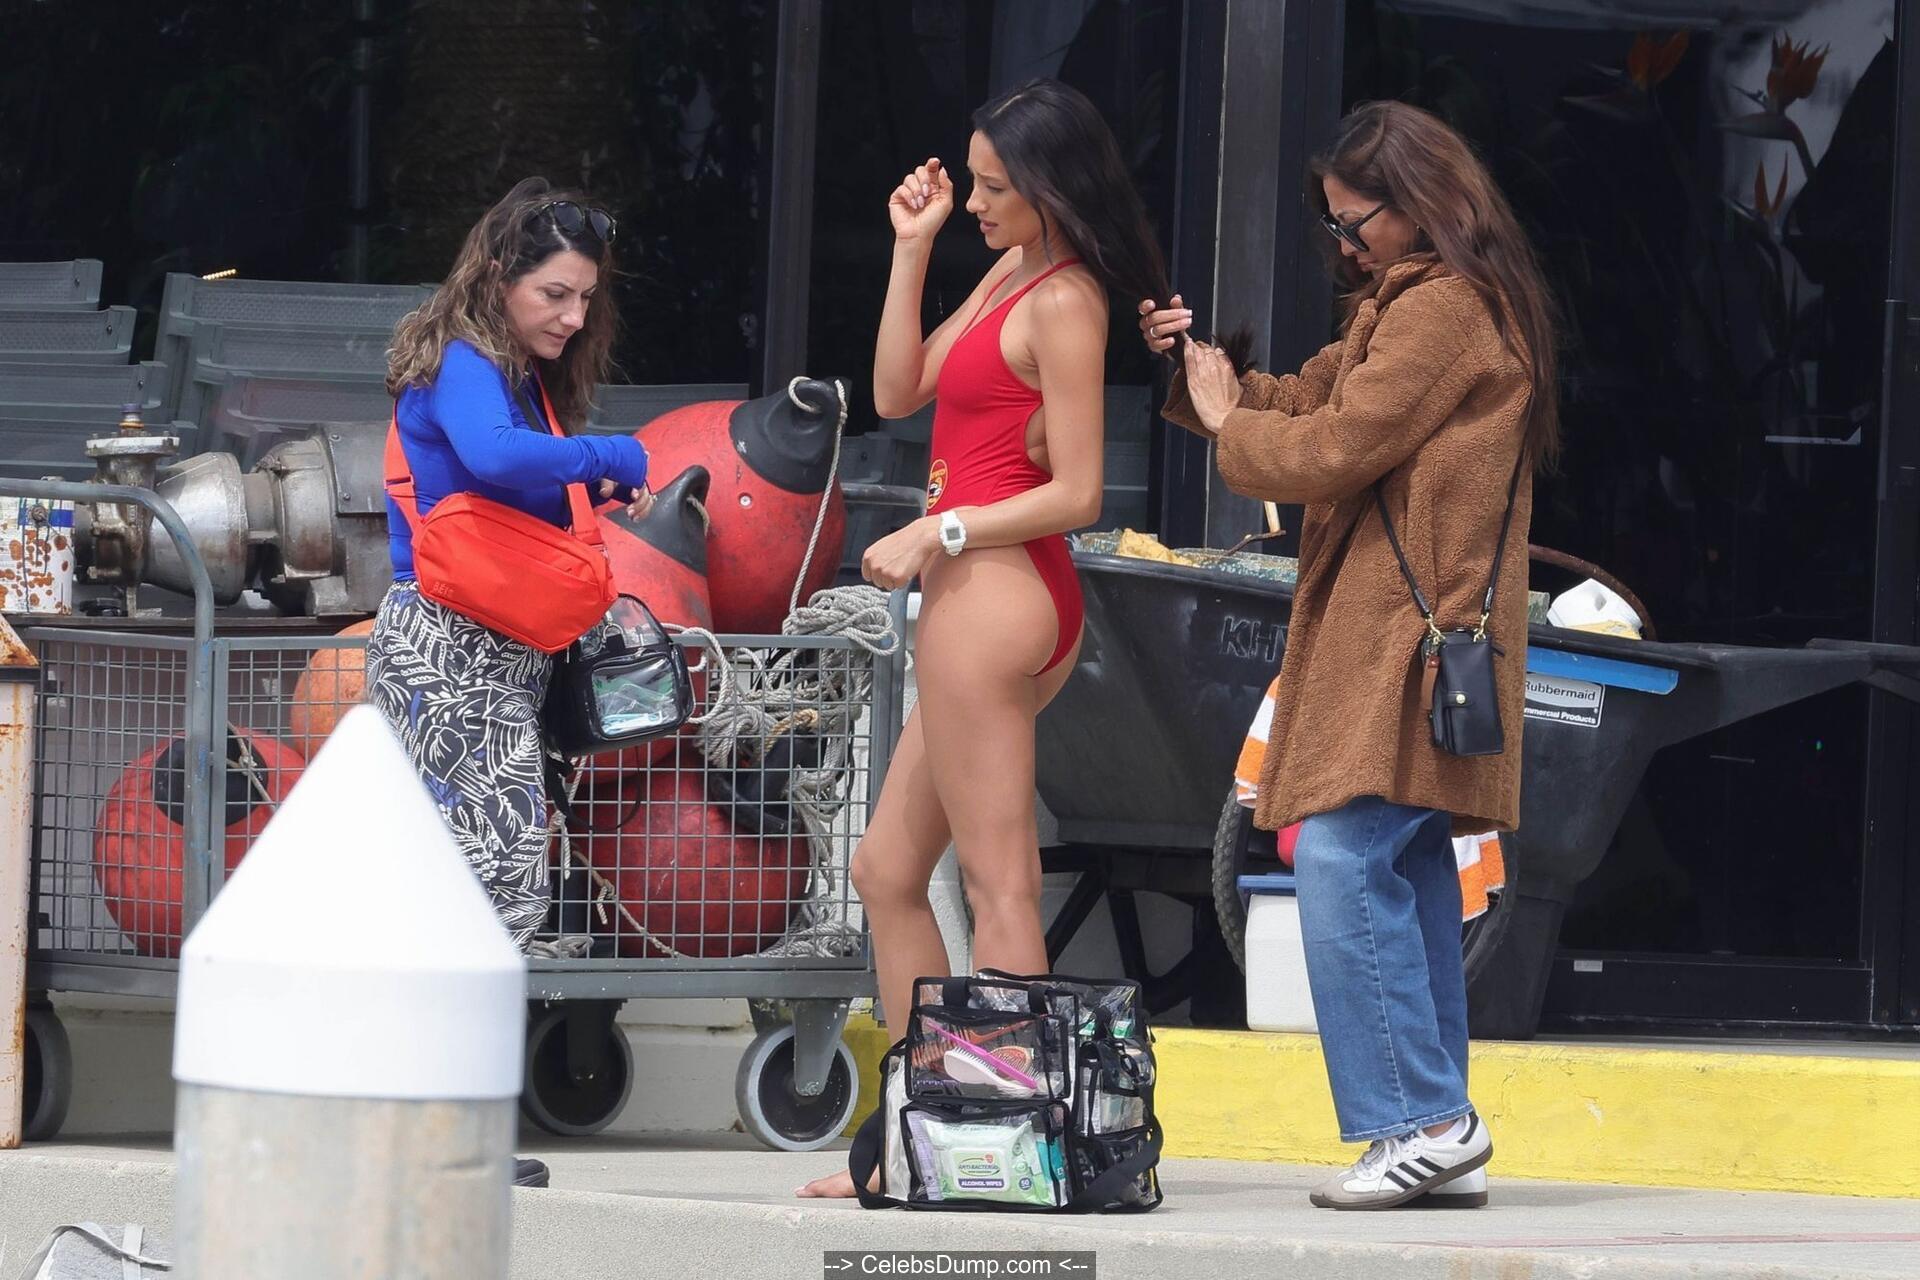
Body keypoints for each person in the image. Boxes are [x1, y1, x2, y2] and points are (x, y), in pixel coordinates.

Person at [1138, 100, 1559, 1209]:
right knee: (1402, 869)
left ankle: (1424, 1119)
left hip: (1408, 647)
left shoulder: (1447, 311)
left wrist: (1228, 424)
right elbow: (1298, 401)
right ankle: (1435, 1124)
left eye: (1352, 221)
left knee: (1334, 853)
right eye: (1332, 224)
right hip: (1402, 642)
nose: (1342, 243)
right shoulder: (1410, 305)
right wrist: (1200, 372)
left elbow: (1328, 450)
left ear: (1420, 201)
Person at [798, 78, 1171, 1199]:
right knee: (886, 870)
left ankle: (1007, 1146)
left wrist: (939, 529)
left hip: (998, 596)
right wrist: (910, 250)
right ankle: (917, 1136)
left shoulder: (1067, 300)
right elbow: (896, 389)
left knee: (1003, 886)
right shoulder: (1012, 271)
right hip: (977, 593)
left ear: (1053, 186)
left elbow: (1081, 491)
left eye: (995, 187)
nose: (975, 204)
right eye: (973, 182)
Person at [366, 177, 652, 1188]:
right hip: (451, 652)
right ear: (499, 276)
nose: (572, 318)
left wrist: (585, 481)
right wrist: (615, 451)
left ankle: (430, 1128)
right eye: (554, 294)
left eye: (586, 299)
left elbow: (503, 486)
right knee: (494, 879)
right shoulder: (463, 359)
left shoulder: (508, 371)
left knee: (478, 882)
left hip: (487, 657)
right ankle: (438, 1134)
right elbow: (491, 458)